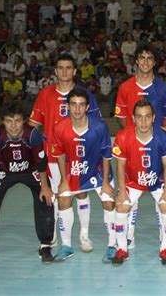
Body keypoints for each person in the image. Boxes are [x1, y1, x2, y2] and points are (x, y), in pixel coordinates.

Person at [29, 54, 101, 251]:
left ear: (74, 71)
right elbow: (33, 124)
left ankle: (84, 236)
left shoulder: (85, 94)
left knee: (81, 194)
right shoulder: (44, 94)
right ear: (55, 71)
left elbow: (96, 125)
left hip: (79, 155)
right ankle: (52, 235)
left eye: (68, 68)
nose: (64, 71)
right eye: (60, 67)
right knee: (54, 195)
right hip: (52, 155)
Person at [0, 103, 54, 265]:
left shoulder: (33, 135)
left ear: (24, 121)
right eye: (9, 121)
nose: (14, 126)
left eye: (17, 120)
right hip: (3, 170)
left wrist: (45, 187)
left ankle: (45, 246)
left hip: (30, 170)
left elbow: (41, 161)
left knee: (46, 199)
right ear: (3, 122)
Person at [114, 42, 166, 249]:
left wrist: (156, 137)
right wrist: (131, 137)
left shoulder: (164, 88)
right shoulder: (125, 87)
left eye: (150, 58)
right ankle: (128, 236)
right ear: (136, 61)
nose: (146, 62)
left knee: (161, 191)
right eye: (142, 58)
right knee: (132, 189)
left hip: (156, 146)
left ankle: (163, 239)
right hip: (132, 146)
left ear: (154, 63)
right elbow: (122, 117)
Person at [51, 89, 116, 262]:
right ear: (68, 106)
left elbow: (107, 155)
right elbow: (59, 155)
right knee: (63, 199)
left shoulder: (99, 126)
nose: (77, 109)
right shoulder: (59, 128)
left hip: (98, 172)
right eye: (73, 104)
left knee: (109, 202)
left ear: (87, 107)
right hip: (73, 172)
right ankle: (66, 246)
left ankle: (112, 245)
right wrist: (64, 181)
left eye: (81, 105)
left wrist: (106, 182)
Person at [111, 99, 166, 266]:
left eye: (147, 117)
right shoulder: (123, 136)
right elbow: (120, 166)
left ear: (154, 118)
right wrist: (122, 190)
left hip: (158, 181)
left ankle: (165, 248)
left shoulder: (163, 137)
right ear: (133, 118)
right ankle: (122, 249)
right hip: (132, 181)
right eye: (139, 117)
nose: (143, 121)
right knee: (121, 206)